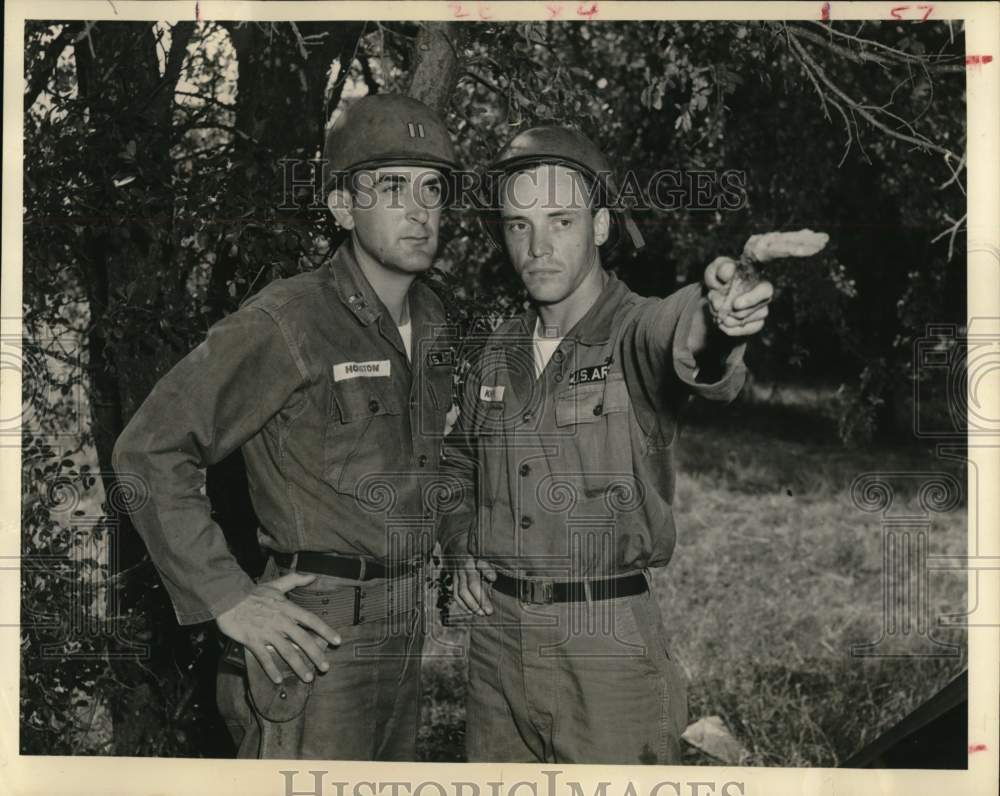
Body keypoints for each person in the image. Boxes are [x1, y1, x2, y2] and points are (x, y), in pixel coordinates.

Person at [112, 93, 460, 760]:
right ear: (341, 206)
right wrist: (227, 595)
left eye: (432, 188)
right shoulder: (288, 320)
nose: (419, 209)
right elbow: (148, 448)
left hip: (404, 626)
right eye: (391, 186)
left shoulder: (436, 321)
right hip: (314, 637)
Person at [438, 126, 773, 764]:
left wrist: (717, 319)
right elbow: (458, 461)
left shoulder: (632, 330)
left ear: (598, 226)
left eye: (560, 220)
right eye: (518, 224)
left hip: (607, 647)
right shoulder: (497, 350)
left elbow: (681, 334)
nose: (537, 246)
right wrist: (459, 542)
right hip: (496, 646)